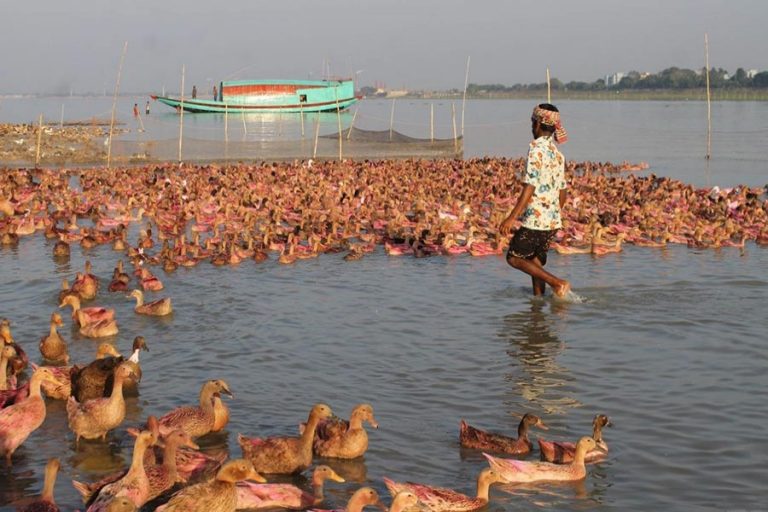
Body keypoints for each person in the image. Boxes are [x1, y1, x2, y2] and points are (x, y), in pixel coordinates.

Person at [500, 103, 570, 298]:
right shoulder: (558, 154)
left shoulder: (535, 149)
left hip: (536, 219)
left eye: (532, 122)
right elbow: (562, 190)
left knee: (514, 257)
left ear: (538, 123)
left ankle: (558, 283)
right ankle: (538, 305)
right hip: (552, 219)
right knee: (534, 262)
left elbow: (529, 187)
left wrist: (511, 218)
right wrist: (554, 213)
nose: (532, 127)